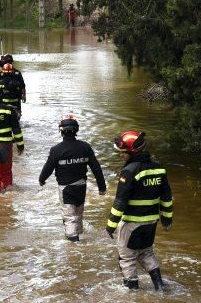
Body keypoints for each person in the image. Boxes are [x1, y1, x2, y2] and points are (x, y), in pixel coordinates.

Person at [105, 131, 172, 290]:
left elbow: (120, 201)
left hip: (131, 224)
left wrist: (111, 225)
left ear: (131, 152)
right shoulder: (159, 168)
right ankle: (160, 287)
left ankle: (132, 294)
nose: (121, 155)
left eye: (122, 152)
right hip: (151, 223)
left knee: (126, 258)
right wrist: (167, 220)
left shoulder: (129, 171)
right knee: (146, 253)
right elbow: (167, 197)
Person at [39, 115, 106, 242]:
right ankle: (81, 240)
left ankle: (75, 247)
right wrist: (102, 187)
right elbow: (96, 168)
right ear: (76, 130)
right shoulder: (85, 147)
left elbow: (48, 168)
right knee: (78, 214)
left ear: (61, 131)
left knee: (69, 217)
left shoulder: (56, 150)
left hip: (66, 188)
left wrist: (42, 180)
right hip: (82, 186)